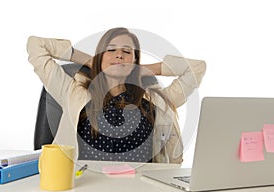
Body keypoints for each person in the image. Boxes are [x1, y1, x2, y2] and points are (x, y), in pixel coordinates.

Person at [27, 27, 206, 164]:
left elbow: (197, 68)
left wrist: (146, 69)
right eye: (111, 50)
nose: (119, 55)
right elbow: (36, 46)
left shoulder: (156, 100)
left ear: (135, 60)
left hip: (142, 189)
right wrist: (90, 61)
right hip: (86, 186)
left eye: (127, 52)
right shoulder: (73, 91)